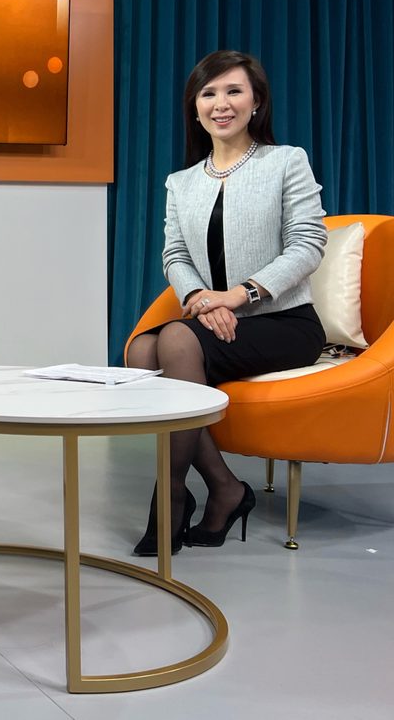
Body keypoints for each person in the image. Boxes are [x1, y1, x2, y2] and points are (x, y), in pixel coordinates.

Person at [126, 50, 327, 555]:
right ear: (195, 107)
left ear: (256, 101)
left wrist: (237, 296)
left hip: (283, 322)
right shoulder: (181, 182)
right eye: (209, 93)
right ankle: (225, 489)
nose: (222, 104)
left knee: (171, 339)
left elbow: (308, 243)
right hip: (212, 319)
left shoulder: (286, 161)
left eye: (234, 91)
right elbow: (174, 254)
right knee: (140, 352)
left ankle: (171, 497)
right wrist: (198, 298)